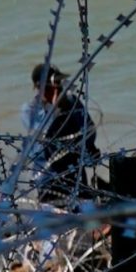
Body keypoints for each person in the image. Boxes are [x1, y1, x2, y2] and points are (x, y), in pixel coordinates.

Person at [37, 66, 95, 205]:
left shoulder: (72, 103)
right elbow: (45, 141)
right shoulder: (36, 110)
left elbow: (89, 129)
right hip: (50, 180)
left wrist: (87, 150)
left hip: (74, 173)